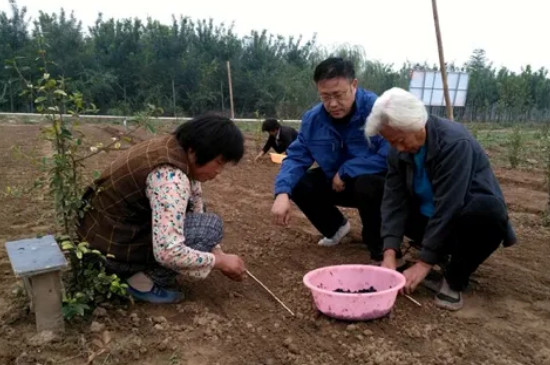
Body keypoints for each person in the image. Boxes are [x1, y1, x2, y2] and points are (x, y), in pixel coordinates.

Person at [364, 87, 517, 310]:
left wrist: (423, 263)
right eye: (391, 142)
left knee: (488, 212)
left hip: (462, 221)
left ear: (416, 123)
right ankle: (438, 254)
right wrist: (389, 253)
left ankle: (455, 278)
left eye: (399, 140)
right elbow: (393, 200)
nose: (397, 148)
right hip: (428, 222)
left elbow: (449, 206)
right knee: (375, 189)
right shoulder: (398, 150)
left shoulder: (454, 143)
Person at [76, 114, 247, 304]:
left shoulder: (173, 149)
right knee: (210, 228)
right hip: (110, 256)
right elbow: (168, 252)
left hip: (102, 238)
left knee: (203, 223)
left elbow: (196, 201)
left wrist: (216, 251)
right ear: (196, 150)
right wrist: (218, 262)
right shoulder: (170, 178)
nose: (218, 172)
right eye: (219, 163)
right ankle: (141, 283)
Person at [271, 57, 389, 261]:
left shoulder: (377, 111)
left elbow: (390, 155)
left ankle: (380, 247)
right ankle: (336, 228)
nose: (333, 104)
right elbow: (297, 157)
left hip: (378, 187)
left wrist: (347, 170)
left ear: (354, 85)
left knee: (368, 185)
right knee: (299, 182)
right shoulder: (313, 119)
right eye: (325, 96)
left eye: (338, 95)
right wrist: (282, 192)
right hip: (337, 184)